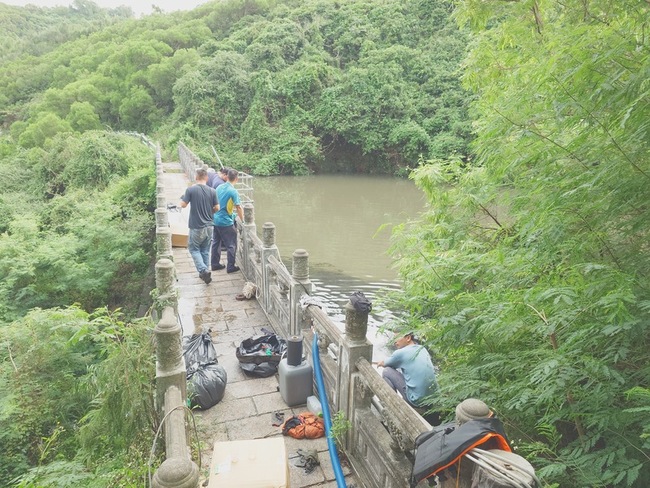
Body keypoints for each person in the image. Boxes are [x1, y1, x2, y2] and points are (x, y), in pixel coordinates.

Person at [377, 332, 438, 408]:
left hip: (416, 400)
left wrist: (381, 363)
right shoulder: (422, 348)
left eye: (397, 338)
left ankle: (391, 405)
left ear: (408, 338)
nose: (394, 341)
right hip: (433, 399)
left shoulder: (400, 353)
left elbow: (385, 364)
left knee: (387, 371)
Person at [180, 168, 219, 284]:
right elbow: (217, 208)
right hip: (209, 226)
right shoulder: (212, 191)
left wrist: (183, 198)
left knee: (194, 249)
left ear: (196, 177)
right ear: (206, 178)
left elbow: (183, 205)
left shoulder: (190, 190)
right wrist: (209, 212)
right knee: (205, 250)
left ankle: (203, 270)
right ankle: (206, 272)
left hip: (196, 226)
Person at [211, 168, 244, 273]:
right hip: (225, 222)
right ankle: (231, 266)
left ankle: (215, 264)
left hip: (215, 219)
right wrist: (243, 221)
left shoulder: (219, 187)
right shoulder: (233, 191)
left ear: (227, 176)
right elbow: (238, 207)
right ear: (237, 179)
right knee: (231, 244)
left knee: (216, 242)